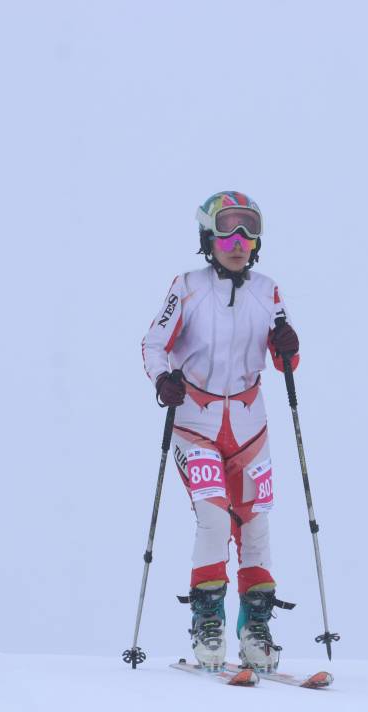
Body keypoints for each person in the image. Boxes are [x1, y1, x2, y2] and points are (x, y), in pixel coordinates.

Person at [141, 190, 300, 672]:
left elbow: (285, 362)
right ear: (208, 238)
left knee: (256, 524)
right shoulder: (188, 287)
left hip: (250, 427)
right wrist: (163, 380)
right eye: (227, 231)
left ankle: (256, 627)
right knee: (213, 517)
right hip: (196, 423)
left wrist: (288, 346)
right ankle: (207, 617)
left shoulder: (268, 291)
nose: (238, 242)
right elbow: (154, 343)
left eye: (248, 231)